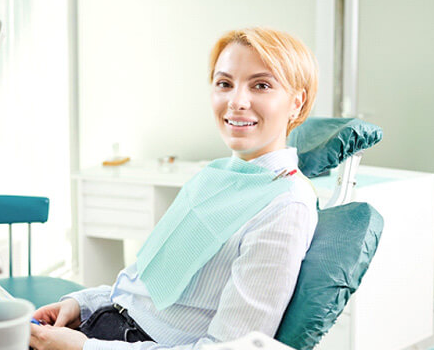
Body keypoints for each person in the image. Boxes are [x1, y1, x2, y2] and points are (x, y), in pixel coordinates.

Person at [29, 26, 319, 350]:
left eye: (261, 85)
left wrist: (82, 348)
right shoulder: (215, 176)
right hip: (102, 322)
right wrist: (82, 304)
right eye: (224, 83)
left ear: (297, 102)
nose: (236, 101)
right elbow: (145, 281)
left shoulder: (285, 206)